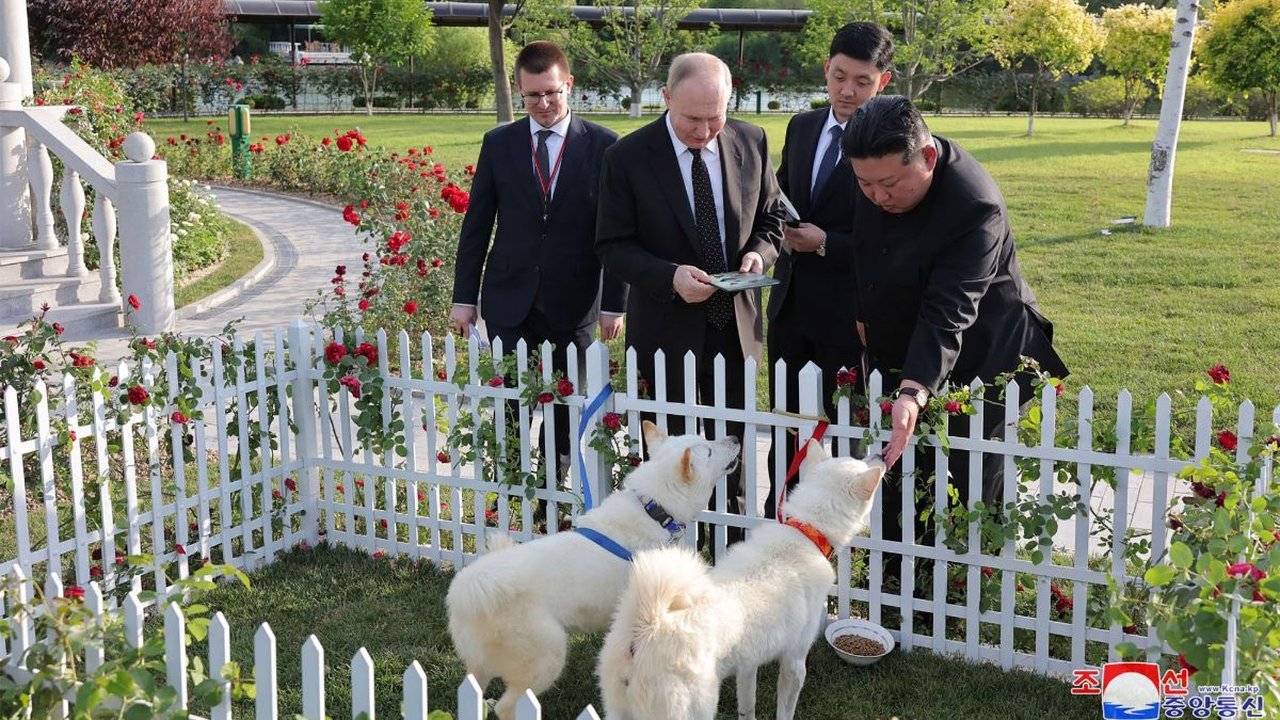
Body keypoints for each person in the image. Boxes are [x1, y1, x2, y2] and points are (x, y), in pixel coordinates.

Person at [841, 95, 1069, 574]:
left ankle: (968, 579)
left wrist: (913, 390)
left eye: (889, 185)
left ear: (927, 157)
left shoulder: (974, 205)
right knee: (901, 467)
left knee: (968, 476)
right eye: (864, 184)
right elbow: (866, 246)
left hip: (984, 353)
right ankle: (898, 576)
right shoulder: (876, 170)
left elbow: (950, 310)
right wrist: (864, 310)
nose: (877, 196)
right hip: (909, 340)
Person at [595, 53, 785, 545]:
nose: (704, 131)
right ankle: (669, 553)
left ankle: (730, 551)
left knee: (731, 450)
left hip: (734, 326)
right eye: (692, 119)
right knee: (670, 457)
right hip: (665, 329)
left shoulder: (752, 140)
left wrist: (759, 255)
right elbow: (612, 245)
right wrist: (669, 276)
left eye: (714, 117)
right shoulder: (627, 157)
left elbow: (772, 218)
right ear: (666, 99)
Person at [450, 41, 626, 490]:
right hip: (509, 300)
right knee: (510, 405)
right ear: (519, 91)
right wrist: (464, 297)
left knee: (564, 408)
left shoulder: (606, 146)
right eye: (532, 95)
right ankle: (511, 494)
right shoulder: (499, 144)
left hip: (575, 303)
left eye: (552, 92)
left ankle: (552, 492)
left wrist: (614, 304)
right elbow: (477, 225)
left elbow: (619, 232)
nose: (544, 104)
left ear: (569, 84)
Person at [764, 22, 894, 519]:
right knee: (787, 425)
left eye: (862, 82)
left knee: (844, 432)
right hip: (791, 305)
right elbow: (779, 193)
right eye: (839, 76)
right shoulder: (802, 126)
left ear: (883, 81)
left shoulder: (891, 138)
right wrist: (777, 228)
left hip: (850, 311)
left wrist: (826, 244)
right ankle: (781, 515)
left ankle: (839, 526)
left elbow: (892, 234)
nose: (847, 91)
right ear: (826, 68)